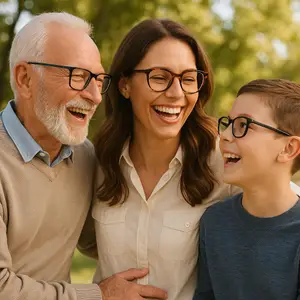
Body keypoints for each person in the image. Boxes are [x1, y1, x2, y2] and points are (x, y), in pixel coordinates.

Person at [92, 18, 240, 300]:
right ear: (125, 85)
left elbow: (285, 210)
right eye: (159, 77)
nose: (176, 94)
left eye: (188, 79)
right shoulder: (98, 161)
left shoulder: (224, 161)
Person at [0, 11, 108, 300]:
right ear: (25, 79)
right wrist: (99, 296)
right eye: (78, 76)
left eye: (98, 79)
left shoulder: (85, 158)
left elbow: (104, 239)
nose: (95, 96)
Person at [193, 79, 300, 300]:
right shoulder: (214, 222)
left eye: (243, 125)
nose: (225, 135)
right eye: (229, 123)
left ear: (289, 148)